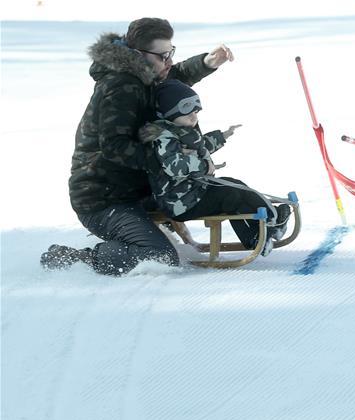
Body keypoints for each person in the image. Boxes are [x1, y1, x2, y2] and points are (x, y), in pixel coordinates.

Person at [41, 17, 235, 275]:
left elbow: (169, 79)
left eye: (171, 53)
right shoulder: (120, 87)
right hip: (103, 199)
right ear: (137, 55)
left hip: (133, 191)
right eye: (163, 55)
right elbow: (114, 146)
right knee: (159, 257)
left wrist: (205, 63)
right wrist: (173, 165)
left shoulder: (142, 75)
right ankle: (74, 257)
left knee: (200, 194)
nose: (170, 61)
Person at [140, 79, 291, 255]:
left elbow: (201, 146)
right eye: (187, 113)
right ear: (168, 113)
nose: (193, 117)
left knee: (232, 184)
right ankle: (258, 234)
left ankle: (269, 225)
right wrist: (204, 166)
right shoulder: (164, 137)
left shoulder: (181, 132)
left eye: (195, 112)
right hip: (179, 203)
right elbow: (174, 166)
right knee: (229, 195)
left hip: (192, 193)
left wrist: (222, 136)